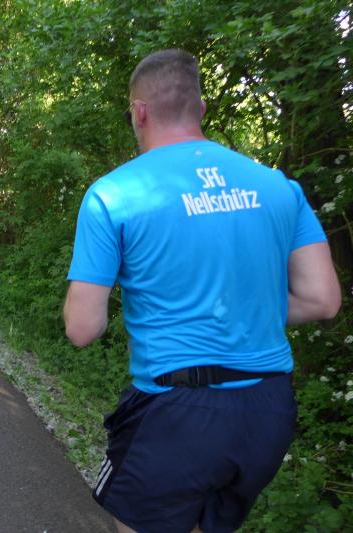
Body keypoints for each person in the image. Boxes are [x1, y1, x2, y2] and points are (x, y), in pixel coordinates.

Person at [63, 49, 341, 533]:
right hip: (267, 410)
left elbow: (82, 329)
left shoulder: (113, 194)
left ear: (139, 111)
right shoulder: (277, 186)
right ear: (202, 109)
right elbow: (323, 300)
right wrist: (241, 309)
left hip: (175, 412)